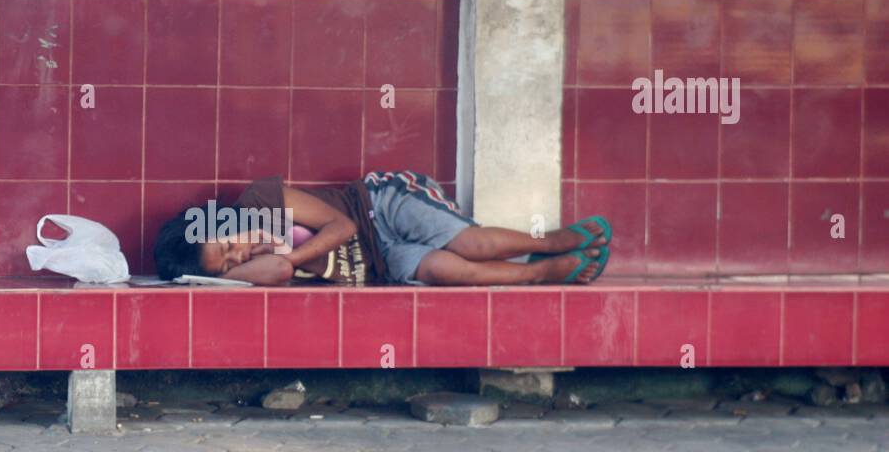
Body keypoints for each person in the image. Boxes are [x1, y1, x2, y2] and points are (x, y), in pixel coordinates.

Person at [152, 170, 610, 286]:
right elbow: (281, 274)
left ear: (219, 220)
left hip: (380, 207)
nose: (241, 255)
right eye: (229, 265)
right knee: (449, 270)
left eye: (228, 244)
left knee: (475, 243)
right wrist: (228, 275)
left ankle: (551, 241)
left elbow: (343, 224)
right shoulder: (257, 270)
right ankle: (537, 273)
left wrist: (288, 254)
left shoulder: (261, 200)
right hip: (383, 263)